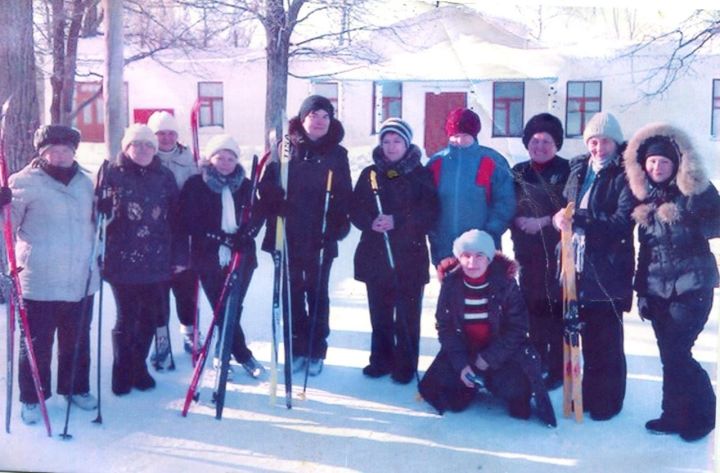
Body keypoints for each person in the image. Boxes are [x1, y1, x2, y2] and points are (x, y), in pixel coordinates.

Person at [624, 123, 719, 441]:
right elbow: (645, 253)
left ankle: (702, 418)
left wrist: (691, 216)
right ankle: (673, 415)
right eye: (651, 162)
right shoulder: (646, 202)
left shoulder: (694, 190)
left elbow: (717, 223)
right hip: (658, 290)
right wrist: (642, 293)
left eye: (663, 162)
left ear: (675, 164)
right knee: (669, 354)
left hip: (692, 287)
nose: (657, 167)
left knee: (679, 353)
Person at [2, 125, 99, 424]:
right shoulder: (22, 182)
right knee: (36, 343)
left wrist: (107, 206)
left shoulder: (88, 183)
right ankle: (32, 397)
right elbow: (7, 225)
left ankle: (75, 388)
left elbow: (100, 222)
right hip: (38, 279)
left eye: (65, 151)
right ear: (41, 154)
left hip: (81, 277)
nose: (59, 157)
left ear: (74, 153)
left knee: (78, 339)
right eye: (52, 152)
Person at [260, 95, 353, 376]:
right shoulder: (284, 148)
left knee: (317, 294)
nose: (320, 121)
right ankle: (297, 347)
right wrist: (274, 198)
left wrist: (338, 223)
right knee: (292, 294)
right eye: (314, 115)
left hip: (320, 236)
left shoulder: (337, 154)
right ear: (303, 119)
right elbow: (267, 186)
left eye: (325, 116)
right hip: (288, 234)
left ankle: (316, 349)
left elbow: (344, 195)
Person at [552, 111, 635, 421]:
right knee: (584, 331)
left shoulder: (625, 175)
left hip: (609, 265)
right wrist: (559, 218)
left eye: (605, 142)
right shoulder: (578, 169)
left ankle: (609, 400)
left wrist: (580, 219)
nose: (599, 148)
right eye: (594, 142)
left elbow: (621, 223)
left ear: (616, 144)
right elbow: (565, 206)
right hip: (577, 262)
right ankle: (588, 393)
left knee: (607, 337)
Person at [418, 229, 550, 422]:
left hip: (501, 351)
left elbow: (518, 328)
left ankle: (495, 382)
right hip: (465, 349)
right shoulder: (450, 285)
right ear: (458, 258)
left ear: (489, 258)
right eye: (466, 256)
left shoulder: (506, 283)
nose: (472, 263)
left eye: (479, 256)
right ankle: (470, 385)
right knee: (450, 401)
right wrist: (461, 364)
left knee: (518, 400)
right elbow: (445, 327)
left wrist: (488, 359)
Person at [350, 118, 439, 384]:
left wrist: (397, 220)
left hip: (409, 256)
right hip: (375, 255)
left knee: (407, 313)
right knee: (380, 312)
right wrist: (370, 222)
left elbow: (430, 212)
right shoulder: (370, 174)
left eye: (397, 141)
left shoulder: (420, 174)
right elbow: (355, 208)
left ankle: (405, 363)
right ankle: (381, 359)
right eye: (386, 141)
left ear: (407, 143)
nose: (391, 147)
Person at [100, 124, 186, 395]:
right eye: (137, 144)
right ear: (126, 147)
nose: (144, 150)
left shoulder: (164, 175)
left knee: (150, 317)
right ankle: (121, 371)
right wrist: (101, 207)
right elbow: (94, 214)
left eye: (149, 145)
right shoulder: (111, 173)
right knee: (127, 317)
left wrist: (180, 255)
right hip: (121, 258)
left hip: (157, 259)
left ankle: (139, 368)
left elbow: (177, 219)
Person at [179, 133, 265, 379]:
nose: (225, 162)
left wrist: (246, 234)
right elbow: (188, 220)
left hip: (243, 255)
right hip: (208, 256)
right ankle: (241, 353)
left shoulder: (247, 185)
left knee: (234, 305)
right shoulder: (196, 184)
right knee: (222, 306)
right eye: (220, 157)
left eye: (230, 158)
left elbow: (258, 216)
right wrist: (220, 237)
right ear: (210, 158)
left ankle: (223, 350)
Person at [510, 113, 569, 390]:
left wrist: (543, 222)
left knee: (554, 311)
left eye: (546, 140)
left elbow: (570, 208)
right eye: (535, 140)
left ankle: (557, 368)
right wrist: (517, 220)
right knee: (531, 309)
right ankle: (536, 363)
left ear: (556, 143)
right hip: (527, 253)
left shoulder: (566, 170)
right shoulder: (518, 171)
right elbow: (507, 204)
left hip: (556, 254)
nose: (540, 146)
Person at [426, 108, 515, 274]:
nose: (459, 141)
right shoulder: (437, 163)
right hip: (446, 246)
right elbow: (425, 202)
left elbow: (505, 201)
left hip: (482, 247)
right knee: (451, 294)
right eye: (455, 135)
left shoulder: (491, 161)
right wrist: (434, 234)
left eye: (465, 136)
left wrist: (490, 232)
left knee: (483, 294)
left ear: (474, 136)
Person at [147, 111, 201, 362]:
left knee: (185, 286)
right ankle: (161, 337)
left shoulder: (190, 159)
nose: (166, 138)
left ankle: (190, 330)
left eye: (171, 133)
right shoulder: (145, 157)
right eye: (160, 133)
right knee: (158, 290)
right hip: (154, 234)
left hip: (185, 231)